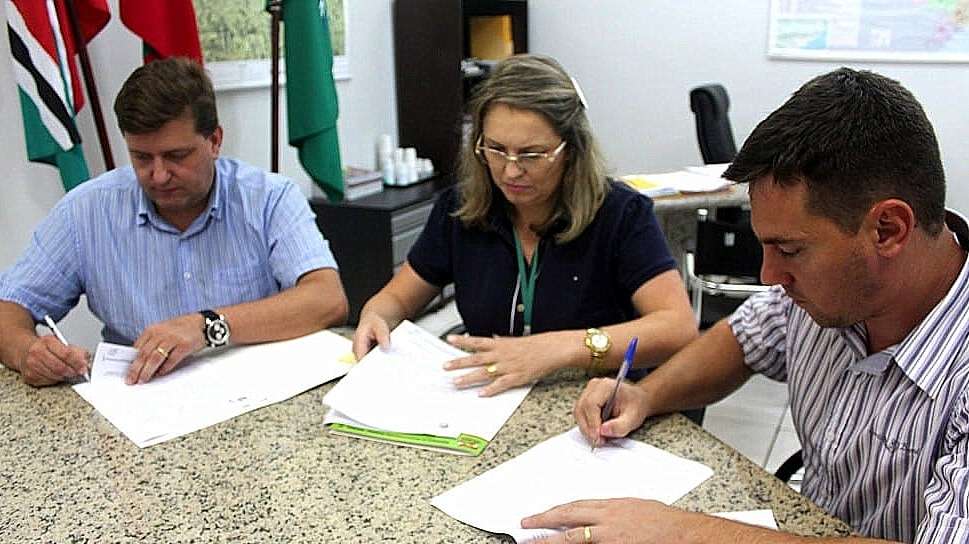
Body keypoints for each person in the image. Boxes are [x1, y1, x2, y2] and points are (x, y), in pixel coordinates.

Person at [523, 68, 969, 543]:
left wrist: (684, 533)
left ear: (888, 230)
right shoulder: (826, 295)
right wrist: (645, 395)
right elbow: (743, 339)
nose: (769, 275)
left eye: (790, 250)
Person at [352, 54, 696, 396]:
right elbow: (395, 300)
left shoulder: (621, 214)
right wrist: (375, 317)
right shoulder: (459, 209)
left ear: (571, 150)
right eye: (496, 149)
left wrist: (562, 348)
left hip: (593, 400)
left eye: (532, 154)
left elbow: (677, 327)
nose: (511, 170)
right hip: (487, 400)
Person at [0, 58, 348, 387]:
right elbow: (9, 307)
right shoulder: (87, 211)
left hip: (253, 389)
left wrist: (207, 326)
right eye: (141, 158)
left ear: (214, 141)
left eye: (176, 156)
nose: (159, 175)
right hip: (139, 396)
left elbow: (328, 299)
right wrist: (27, 352)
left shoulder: (268, 198)